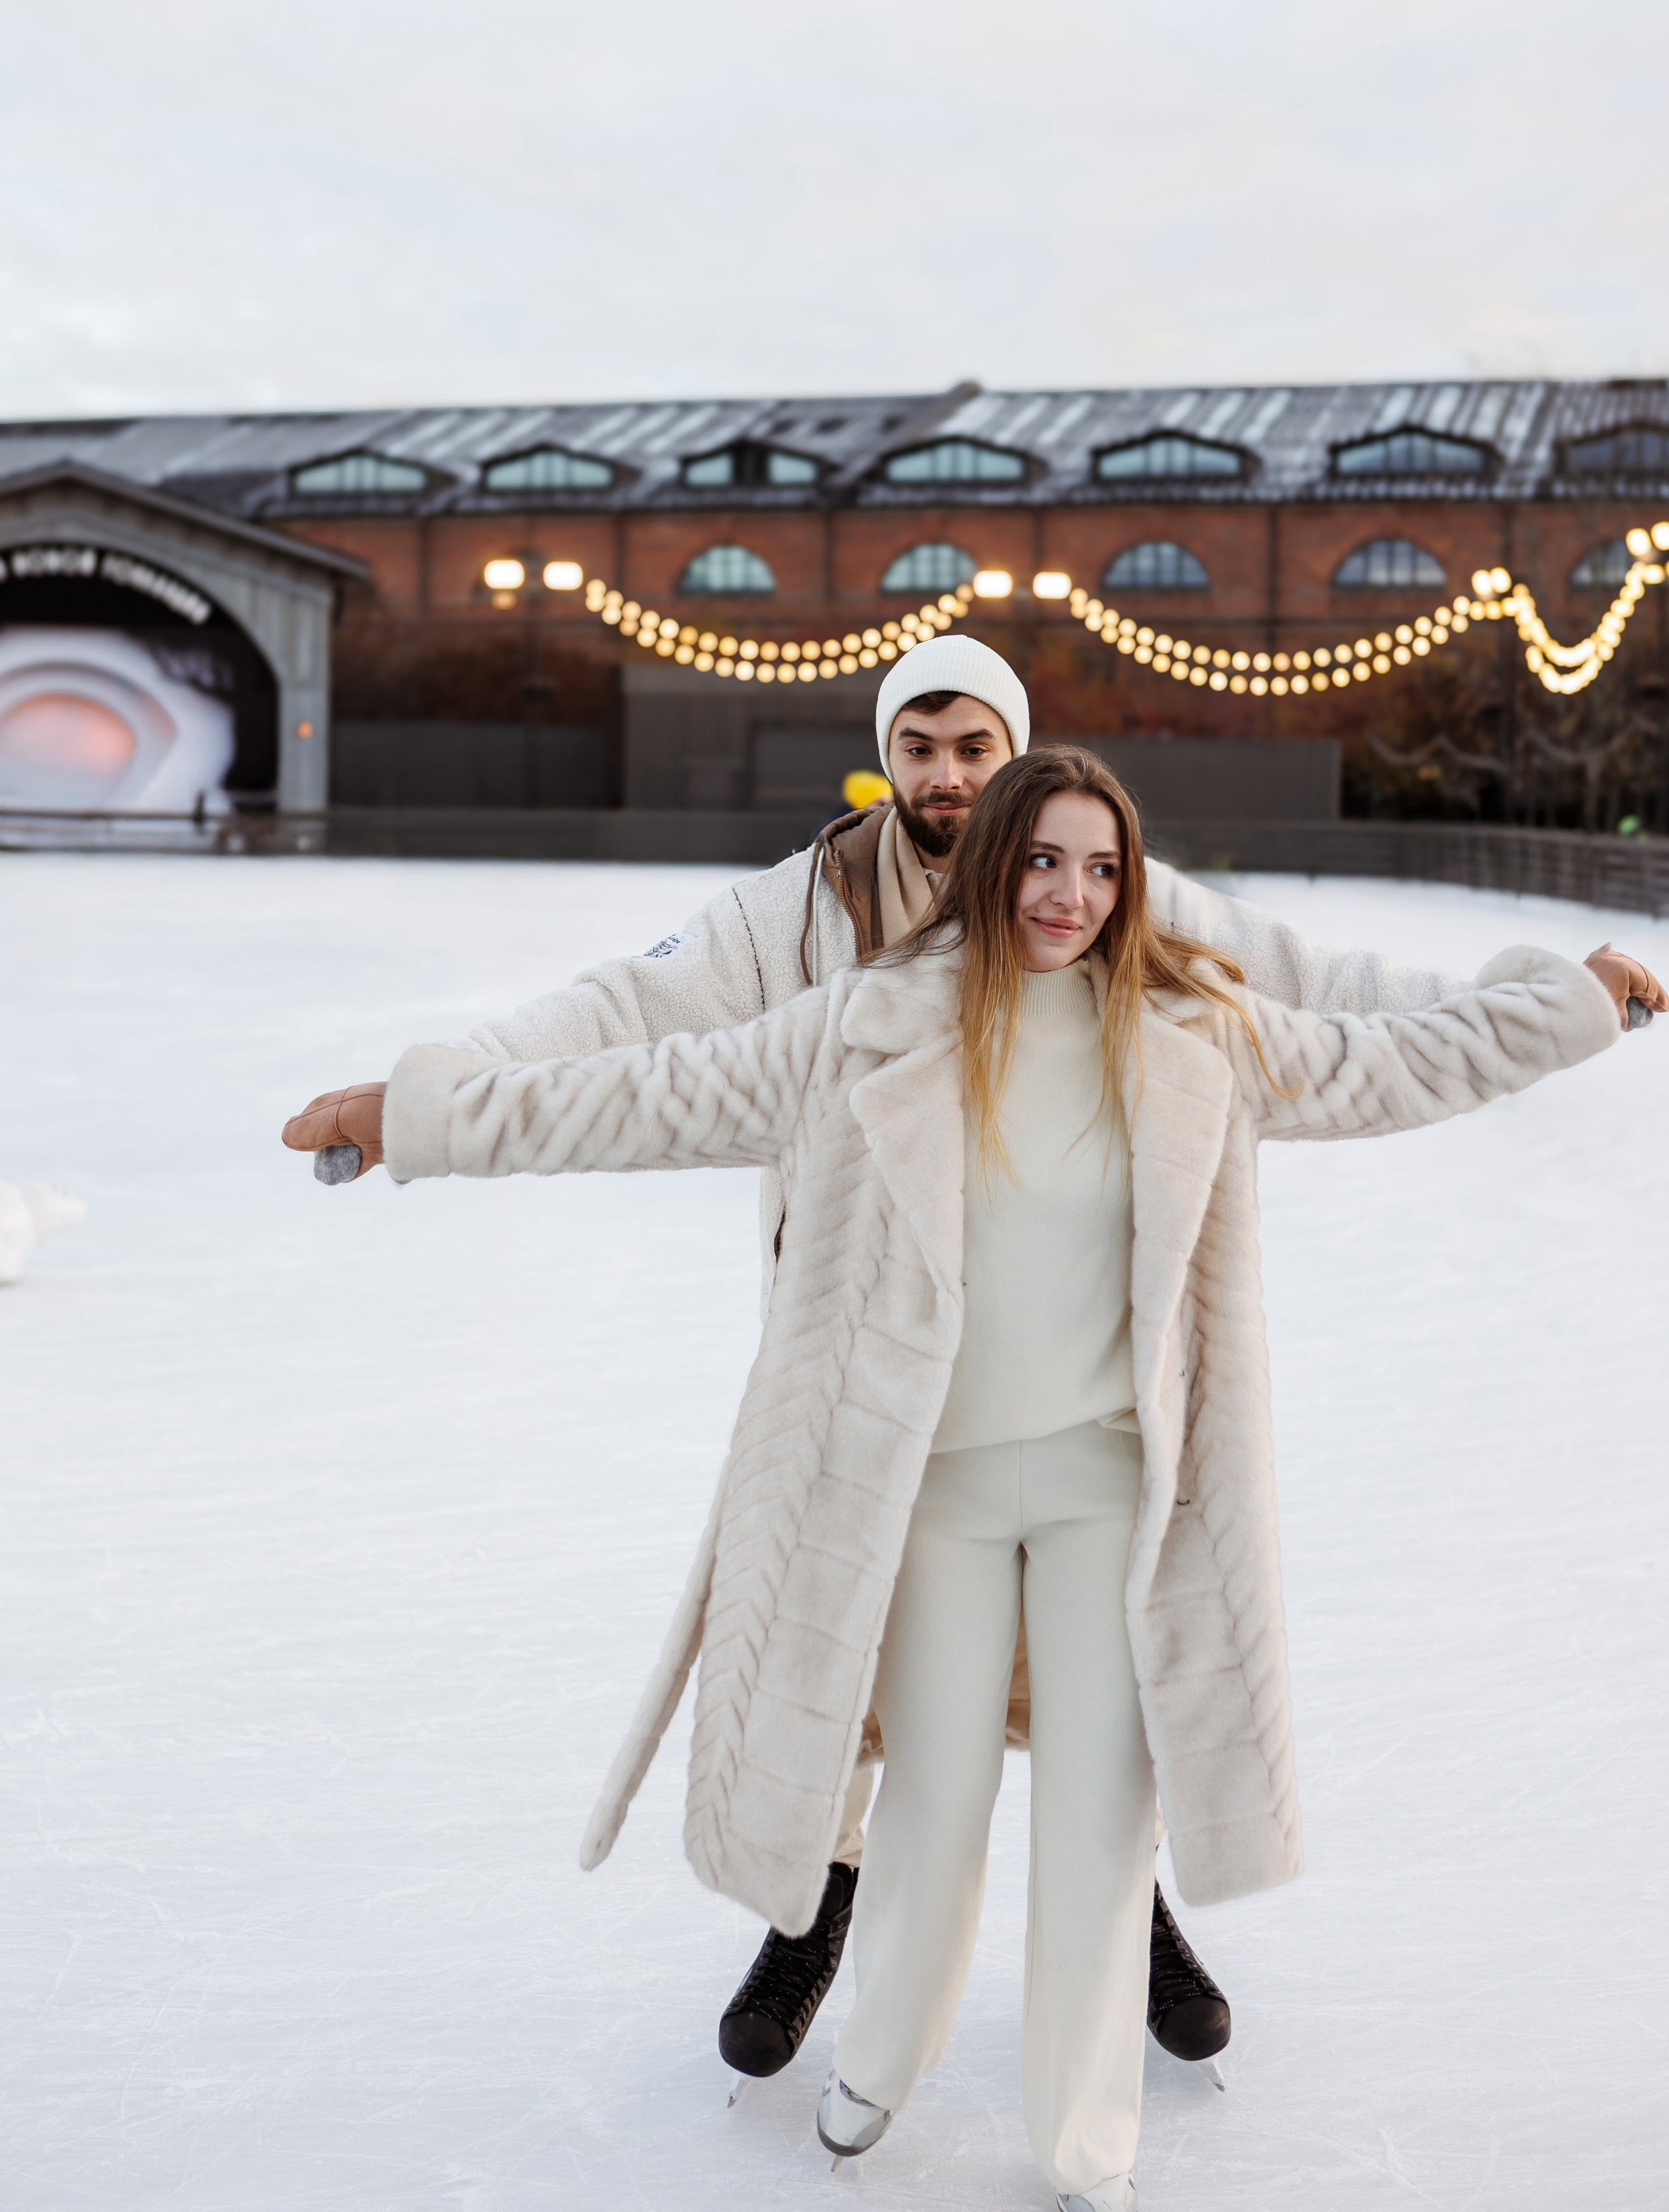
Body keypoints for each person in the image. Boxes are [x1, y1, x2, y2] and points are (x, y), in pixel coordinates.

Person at [279, 635, 1666, 2090]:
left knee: (1089, 1646)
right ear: (891, 757)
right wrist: (428, 1099)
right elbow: (619, 1031)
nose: (946, 781)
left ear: (1015, 755)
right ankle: (814, 1903)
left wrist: (1545, 1001)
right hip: (871, 1339)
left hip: (1065, 1352)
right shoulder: (799, 914)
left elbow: (1334, 991)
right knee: (854, 1627)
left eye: (973, 751)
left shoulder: (1109, 887)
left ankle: (1121, 1906)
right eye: (921, 751)